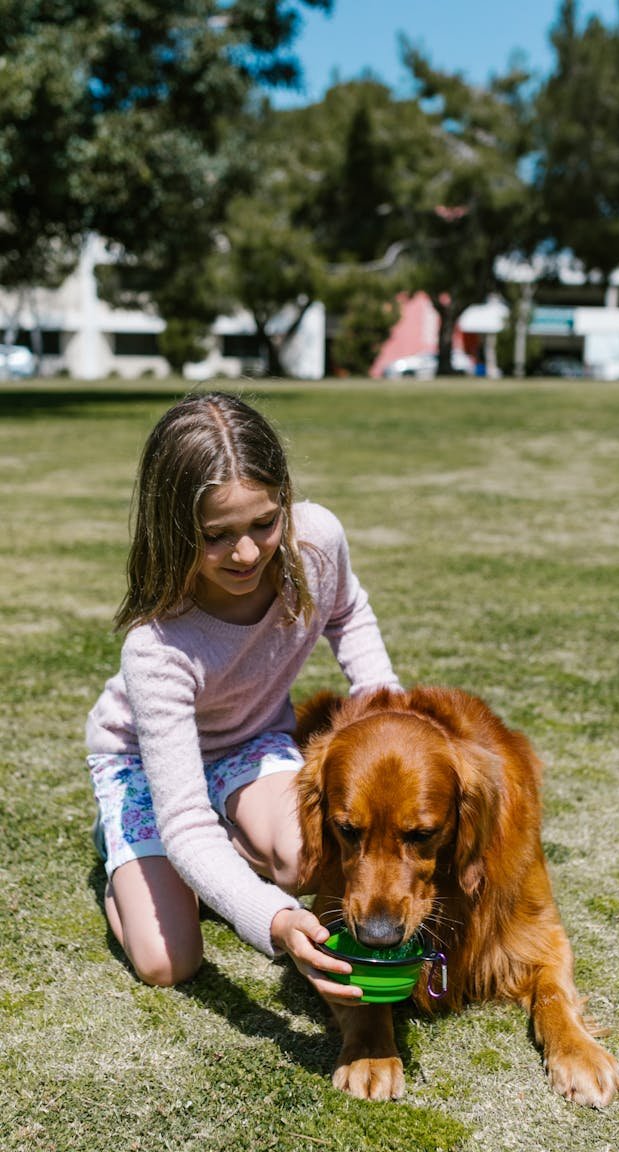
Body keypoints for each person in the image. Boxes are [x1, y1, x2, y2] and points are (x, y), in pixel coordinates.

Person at [86, 391, 401, 1000]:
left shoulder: (317, 542)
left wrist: (388, 707)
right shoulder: (158, 647)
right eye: (217, 535)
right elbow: (182, 818)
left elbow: (347, 612)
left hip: (251, 742)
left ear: (284, 497)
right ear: (173, 529)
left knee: (307, 861)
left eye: (264, 522)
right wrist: (273, 919)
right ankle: (122, 853)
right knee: (167, 961)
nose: (248, 552)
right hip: (143, 766)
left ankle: (210, 862)